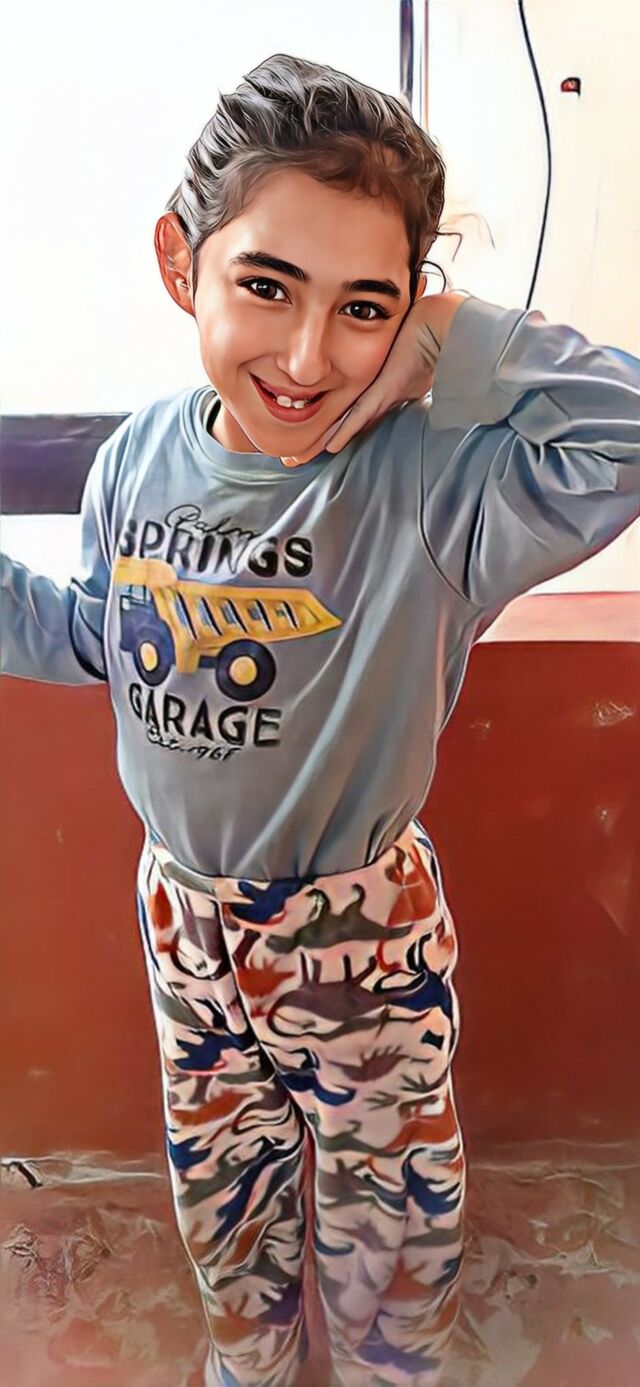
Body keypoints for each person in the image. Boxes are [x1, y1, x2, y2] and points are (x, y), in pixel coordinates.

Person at [2, 49, 639, 1387]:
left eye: (365, 306)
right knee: (221, 1200)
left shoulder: (436, 488)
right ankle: (251, 1365)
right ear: (180, 263)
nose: (306, 357)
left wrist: (450, 337)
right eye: (266, 286)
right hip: (181, 923)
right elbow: (100, 638)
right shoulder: (137, 460)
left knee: (391, 1223)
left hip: (361, 937)